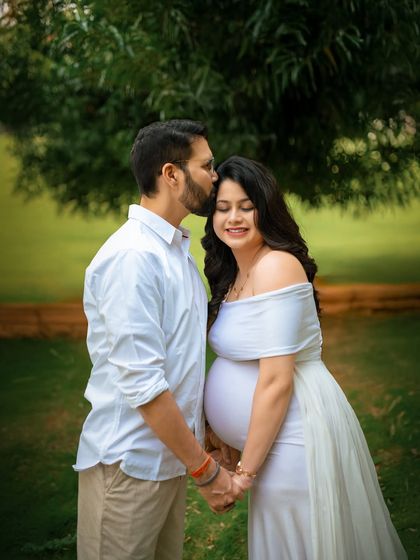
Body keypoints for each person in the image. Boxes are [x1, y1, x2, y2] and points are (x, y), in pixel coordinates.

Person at [202, 155, 407, 560]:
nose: (234, 218)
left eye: (246, 206)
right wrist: (219, 432)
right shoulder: (234, 273)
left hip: (294, 436)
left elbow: (277, 380)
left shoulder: (276, 266)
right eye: (222, 208)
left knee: (301, 543)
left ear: (266, 209)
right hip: (269, 441)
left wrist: (242, 476)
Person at [74, 120, 243, 560]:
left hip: (168, 460)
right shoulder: (134, 257)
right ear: (171, 174)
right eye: (207, 165)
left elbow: (179, 363)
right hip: (128, 466)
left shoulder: (173, 251)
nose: (216, 176)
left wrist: (202, 435)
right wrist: (206, 473)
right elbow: (144, 386)